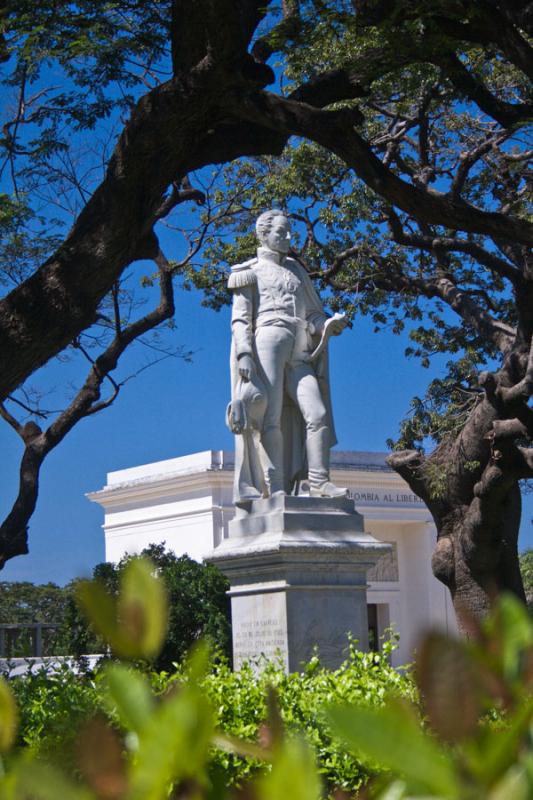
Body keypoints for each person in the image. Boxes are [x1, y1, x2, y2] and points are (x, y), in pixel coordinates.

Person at [227, 210, 348, 505]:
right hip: (267, 340)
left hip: (300, 348)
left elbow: (313, 313)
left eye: (289, 232)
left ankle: (320, 482)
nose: (288, 238)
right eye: (281, 232)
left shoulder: (297, 270)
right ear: (264, 234)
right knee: (270, 417)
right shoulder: (247, 271)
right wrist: (244, 353)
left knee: (317, 414)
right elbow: (240, 320)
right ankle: (276, 486)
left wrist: (327, 325)